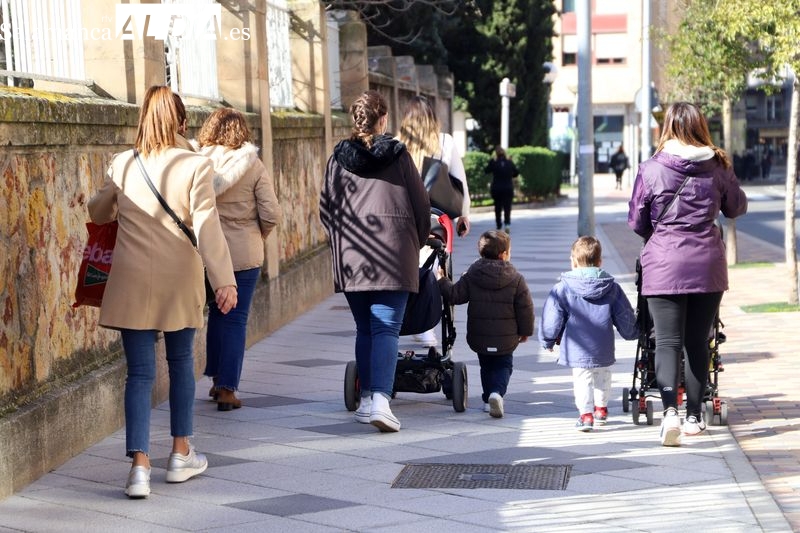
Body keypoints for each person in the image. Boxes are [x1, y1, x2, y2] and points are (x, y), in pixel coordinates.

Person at [88, 85, 238, 498]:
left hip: (131, 280)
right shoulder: (194, 165)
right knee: (180, 363)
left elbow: (98, 211)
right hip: (179, 279)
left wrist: (109, 188)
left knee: (138, 374)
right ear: (181, 122)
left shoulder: (123, 163)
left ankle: (138, 468)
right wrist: (224, 278)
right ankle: (180, 453)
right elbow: (207, 225)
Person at [628, 101, 747, 447]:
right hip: (707, 264)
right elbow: (736, 207)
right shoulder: (718, 165)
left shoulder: (651, 169)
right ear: (701, 127)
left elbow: (637, 221)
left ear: (668, 128)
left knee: (666, 342)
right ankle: (695, 416)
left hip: (663, 265)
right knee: (699, 341)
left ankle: (669, 414)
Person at [319, 90, 431, 433]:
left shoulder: (337, 159)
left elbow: (326, 208)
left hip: (353, 254)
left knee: (365, 327)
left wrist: (342, 240)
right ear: (383, 120)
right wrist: (420, 238)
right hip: (394, 252)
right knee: (386, 327)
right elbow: (420, 204)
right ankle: (382, 400)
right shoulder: (399, 156)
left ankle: (367, 399)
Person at [194, 108, 282, 411]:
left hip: (205, 251)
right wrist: (257, 235)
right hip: (244, 255)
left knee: (215, 314)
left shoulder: (196, 162)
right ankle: (227, 388)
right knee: (235, 318)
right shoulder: (252, 165)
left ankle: (217, 379)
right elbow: (271, 213)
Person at [538, 236, 638, 432]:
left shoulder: (562, 288)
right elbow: (624, 315)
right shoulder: (612, 287)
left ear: (573, 261)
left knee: (582, 379)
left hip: (578, 347)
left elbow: (552, 318)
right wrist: (632, 332)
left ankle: (586, 415)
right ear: (600, 262)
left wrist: (548, 340)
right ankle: (601, 409)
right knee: (604, 376)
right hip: (603, 345)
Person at [398, 95, 472, 349]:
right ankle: (428, 328)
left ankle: (400, 320)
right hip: (435, 221)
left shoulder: (398, 144)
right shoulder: (444, 142)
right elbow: (458, 182)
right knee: (433, 269)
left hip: (404, 220)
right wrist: (464, 215)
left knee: (406, 269)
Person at [437, 230, 534, 418]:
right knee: (504, 365)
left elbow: (456, 295)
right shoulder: (516, 278)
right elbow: (525, 308)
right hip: (506, 335)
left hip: (479, 333)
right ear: (503, 254)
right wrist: (525, 331)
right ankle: (496, 393)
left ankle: (487, 398)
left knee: (486, 366)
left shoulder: (472, 274)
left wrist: (442, 281)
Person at [485, 146, 519, 232]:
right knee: (507, 207)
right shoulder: (509, 162)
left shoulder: (494, 162)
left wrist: (492, 162)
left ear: (496, 153)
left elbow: (486, 170)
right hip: (508, 187)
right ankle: (507, 224)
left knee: (498, 207)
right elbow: (516, 172)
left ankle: (499, 225)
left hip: (497, 188)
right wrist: (510, 175)